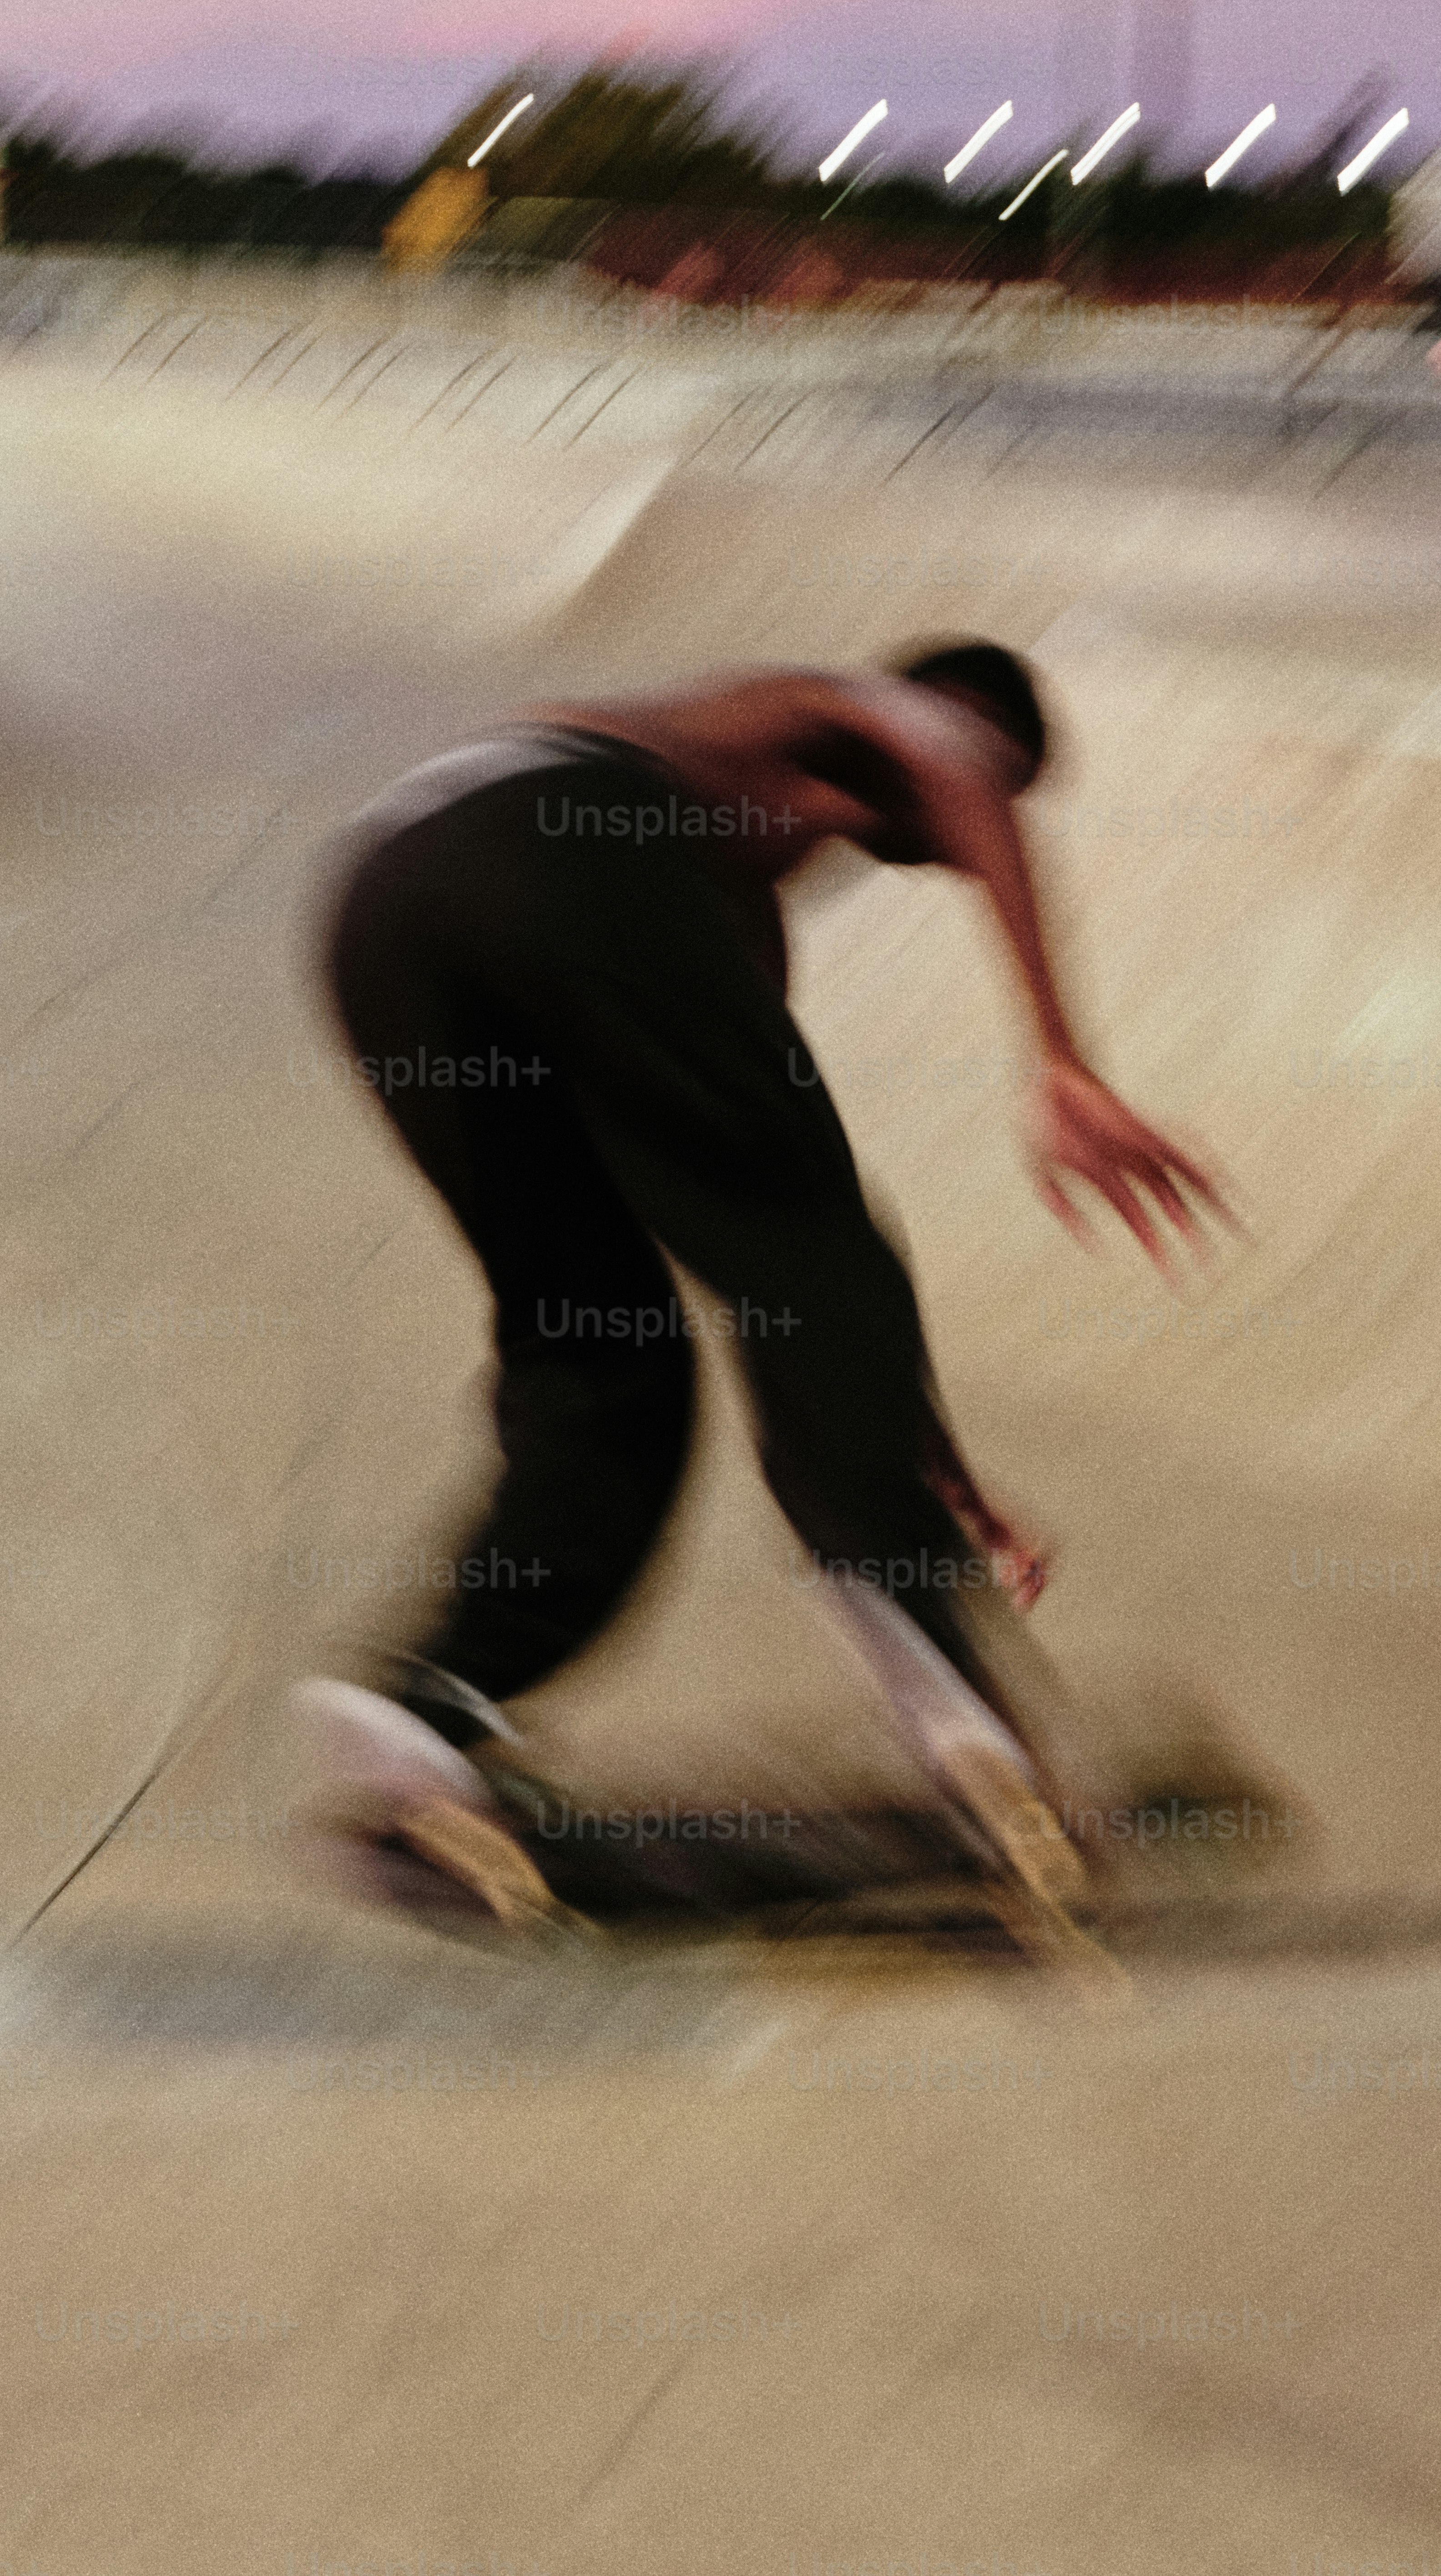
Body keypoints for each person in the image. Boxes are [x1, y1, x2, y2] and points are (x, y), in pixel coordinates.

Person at [295, 643, 1229, 1935]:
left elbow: (755, 1244)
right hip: (537, 837)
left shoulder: (720, 905)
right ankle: (928, 1655)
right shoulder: (813, 708)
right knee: (822, 1243)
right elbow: (807, 1242)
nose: (973, 835)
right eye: (992, 792)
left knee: (602, 1343)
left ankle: (427, 1704)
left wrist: (910, 1451)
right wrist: (1061, 1059)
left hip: (386, 915)